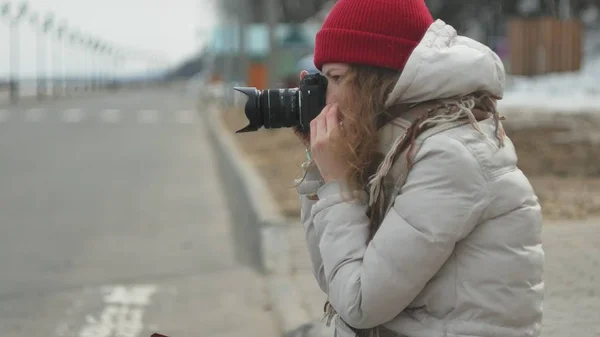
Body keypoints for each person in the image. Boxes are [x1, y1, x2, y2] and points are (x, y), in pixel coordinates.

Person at [293, 1, 545, 337]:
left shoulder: (450, 155)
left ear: (377, 78)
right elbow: (336, 279)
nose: (328, 97)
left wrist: (338, 185)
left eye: (336, 78)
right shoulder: (397, 142)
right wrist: (321, 168)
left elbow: (359, 303)